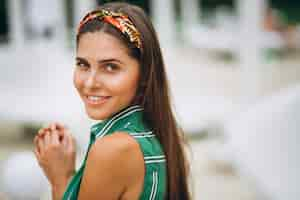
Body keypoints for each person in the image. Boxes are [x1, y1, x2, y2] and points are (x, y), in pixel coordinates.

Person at [33, 2, 191, 200]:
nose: (90, 83)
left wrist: (60, 177)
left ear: (144, 74)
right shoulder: (152, 134)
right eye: (83, 64)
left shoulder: (113, 150)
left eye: (110, 67)